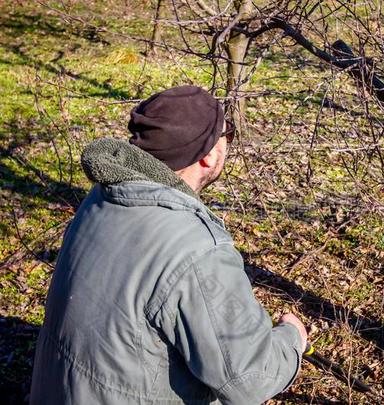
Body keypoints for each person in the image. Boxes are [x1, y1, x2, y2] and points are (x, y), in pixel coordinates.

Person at [29, 85, 308, 405]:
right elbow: (250, 380)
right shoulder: (197, 249)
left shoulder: (105, 196)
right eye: (224, 136)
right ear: (209, 156)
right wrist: (291, 339)